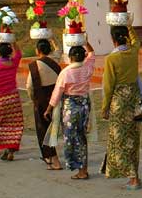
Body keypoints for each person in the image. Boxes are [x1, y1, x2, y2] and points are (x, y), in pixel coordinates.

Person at [44, 38, 96, 180]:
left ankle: (79, 169)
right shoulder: (87, 67)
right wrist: (85, 41)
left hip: (70, 108)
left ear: (70, 57)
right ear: (83, 56)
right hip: (84, 106)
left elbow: (57, 93)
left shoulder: (66, 72)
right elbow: (92, 54)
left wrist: (49, 109)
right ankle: (84, 169)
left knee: (71, 138)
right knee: (82, 137)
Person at [101, 25, 141, 189]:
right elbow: (136, 41)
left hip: (119, 102)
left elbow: (108, 86)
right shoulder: (133, 52)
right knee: (133, 138)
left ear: (113, 40)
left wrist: (105, 107)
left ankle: (133, 178)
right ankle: (135, 175)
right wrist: (129, 25)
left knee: (121, 140)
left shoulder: (111, 59)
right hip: (134, 100)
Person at [0, 41, 23, 161]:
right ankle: (11, 150)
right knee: (15, 125)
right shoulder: (13, 63)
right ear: (10, 52)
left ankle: (3, 147)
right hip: (13, 99)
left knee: (0, 125)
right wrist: (13, 41)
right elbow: (19, 53)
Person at [26, 39, 62, 170]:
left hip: (42, 100)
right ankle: (53, 159)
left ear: (38, 50)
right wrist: (52, 39)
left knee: (44, 130)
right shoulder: (55, 59)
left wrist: (34, 100)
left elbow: (29, 87)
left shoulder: (35, 66)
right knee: (54, 128)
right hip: (57, 97)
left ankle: (53, 159)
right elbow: (59, 49)